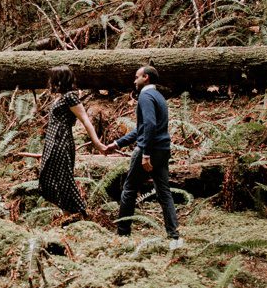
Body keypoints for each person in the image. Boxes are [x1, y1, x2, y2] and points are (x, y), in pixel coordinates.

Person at [109, 64, 181, 247]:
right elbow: (142, 129)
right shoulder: (158, 97)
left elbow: (149, 125)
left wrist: (146, 154)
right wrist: (117, 143)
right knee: (164, 192)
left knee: (129, 189)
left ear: (146, 77)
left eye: (137, 77)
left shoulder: (146, 96)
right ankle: (174, 237)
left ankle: (122, 234)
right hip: (163, 149)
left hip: (149, 150)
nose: (134, 80)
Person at [27, 65, 109, 219]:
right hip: (52, 142)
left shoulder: (70, 97)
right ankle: (68, 214)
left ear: (60, 79)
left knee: (64, 178)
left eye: (53, 78)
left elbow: (85, 119)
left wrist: (97, 143)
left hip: (61, 142)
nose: (50, 81)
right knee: (49, 177)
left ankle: (80, 213)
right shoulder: (61, 97)